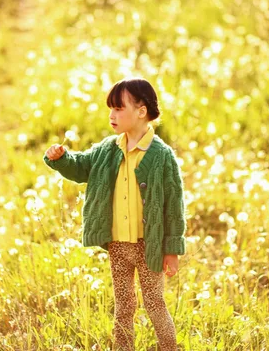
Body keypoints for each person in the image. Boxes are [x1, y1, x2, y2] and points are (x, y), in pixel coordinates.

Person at [43, 77, 186, 351]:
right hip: (118, 245)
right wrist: (60, 159)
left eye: (119, 108)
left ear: (141, 111)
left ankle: (169, 347)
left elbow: (174, 207)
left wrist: (172, 249)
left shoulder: (162, 156)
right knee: (123, 305)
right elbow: (81, 167)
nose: (112, 115)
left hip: (149, 245)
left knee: (154, 303)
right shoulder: (108, 149)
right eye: (110, 108)